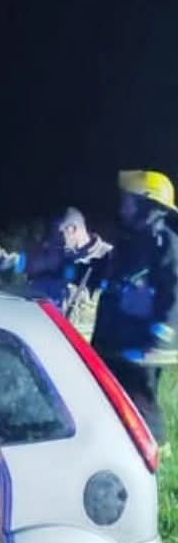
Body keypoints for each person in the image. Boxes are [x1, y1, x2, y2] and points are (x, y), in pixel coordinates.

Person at [92, 170, 178, 447]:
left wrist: (158, 336)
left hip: (143, 344)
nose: (123, 207)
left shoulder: (165, 243)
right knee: (112, 395)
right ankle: (121, 444)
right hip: (116, 338)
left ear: (147, 205)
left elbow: (173, 292)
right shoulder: (130, 241)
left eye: (129, 201)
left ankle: (156, 449)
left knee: (141, 398)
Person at [27, 206, 112, 338]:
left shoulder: (108, 258)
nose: (53, 242)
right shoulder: (53, 255)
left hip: (85, 345)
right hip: (49, 338)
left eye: (58, 235)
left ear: (72, 229)